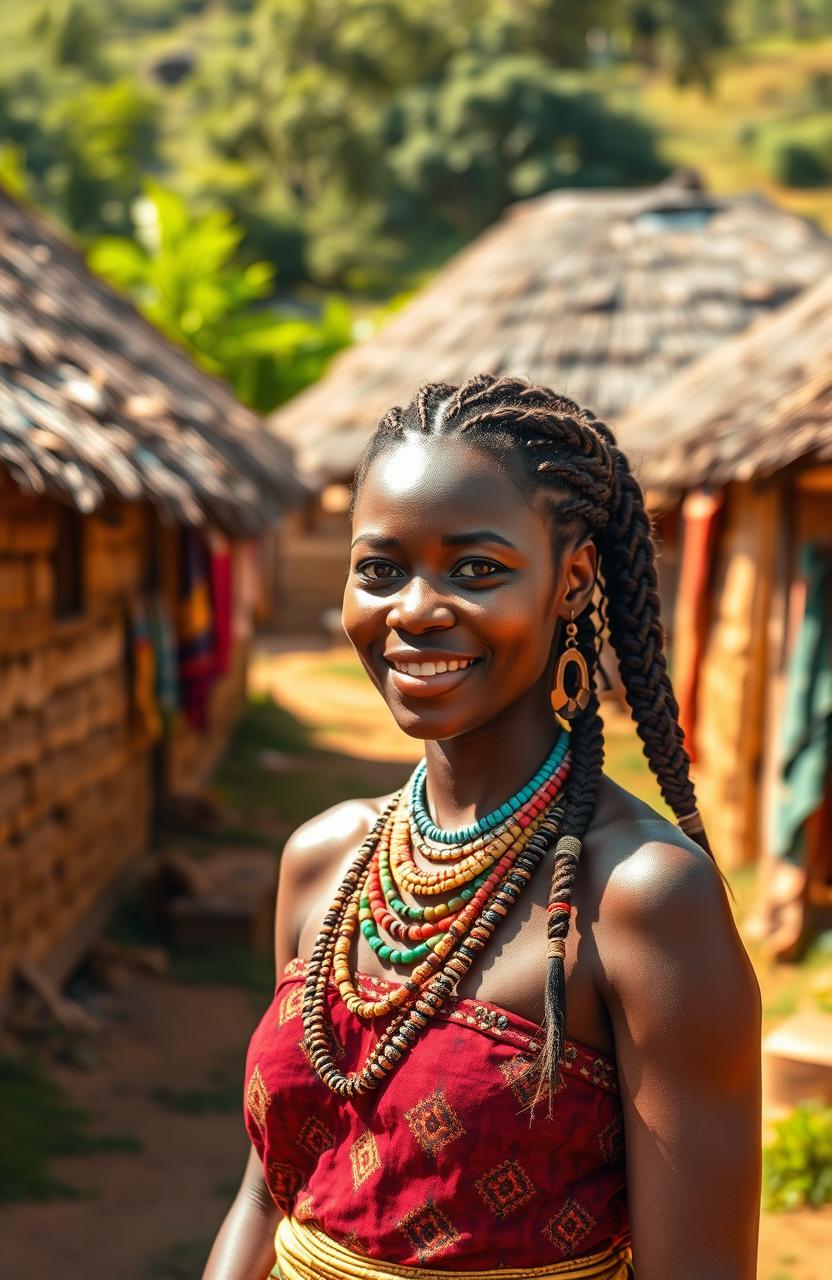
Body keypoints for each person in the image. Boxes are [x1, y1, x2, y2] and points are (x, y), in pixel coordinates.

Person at [203, 375, 762, 1280]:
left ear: (572, 580)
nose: (416, 610)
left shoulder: (645, 900)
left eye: (476, 570)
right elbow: (273, 1189)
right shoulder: (323, 859)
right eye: (381, 569)